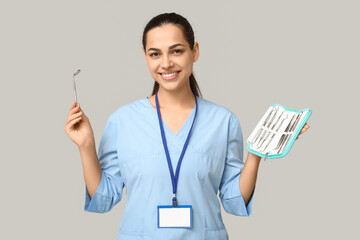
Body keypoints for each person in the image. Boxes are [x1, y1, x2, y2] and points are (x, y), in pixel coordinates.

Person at [64, 12, 310, 240]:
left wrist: (255, 154)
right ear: (145, 57)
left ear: (195, 51)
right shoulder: (123, 121)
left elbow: (235, 202)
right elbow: (104, 198)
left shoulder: (223, 121)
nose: (166, 63)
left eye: (177, 51)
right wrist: (86, 146)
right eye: (155, 54)